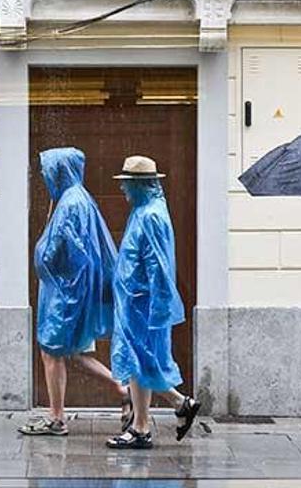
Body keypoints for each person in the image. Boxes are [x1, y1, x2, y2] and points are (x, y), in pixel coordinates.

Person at [18, 147, 131, 436]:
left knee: (51, 350)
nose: (44, 175)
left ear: (60, 170)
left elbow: (62, 248)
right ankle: (122, 388)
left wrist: (44, 257)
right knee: (75, 351)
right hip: (69, 289)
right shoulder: (78, 198)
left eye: (48, 170)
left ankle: (57, 418)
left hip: (65, 292)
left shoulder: (70, 203)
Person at [106, 155, 201, 450]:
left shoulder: (150, 216)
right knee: (138, 362)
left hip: (142, 305)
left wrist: (157, 308)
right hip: (136, 302)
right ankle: (147, 422)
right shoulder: (144, 210)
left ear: (141, 185)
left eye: (128, 184)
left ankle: (164, 412)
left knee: (142, 360)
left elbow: (157, 265)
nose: (123, 190)